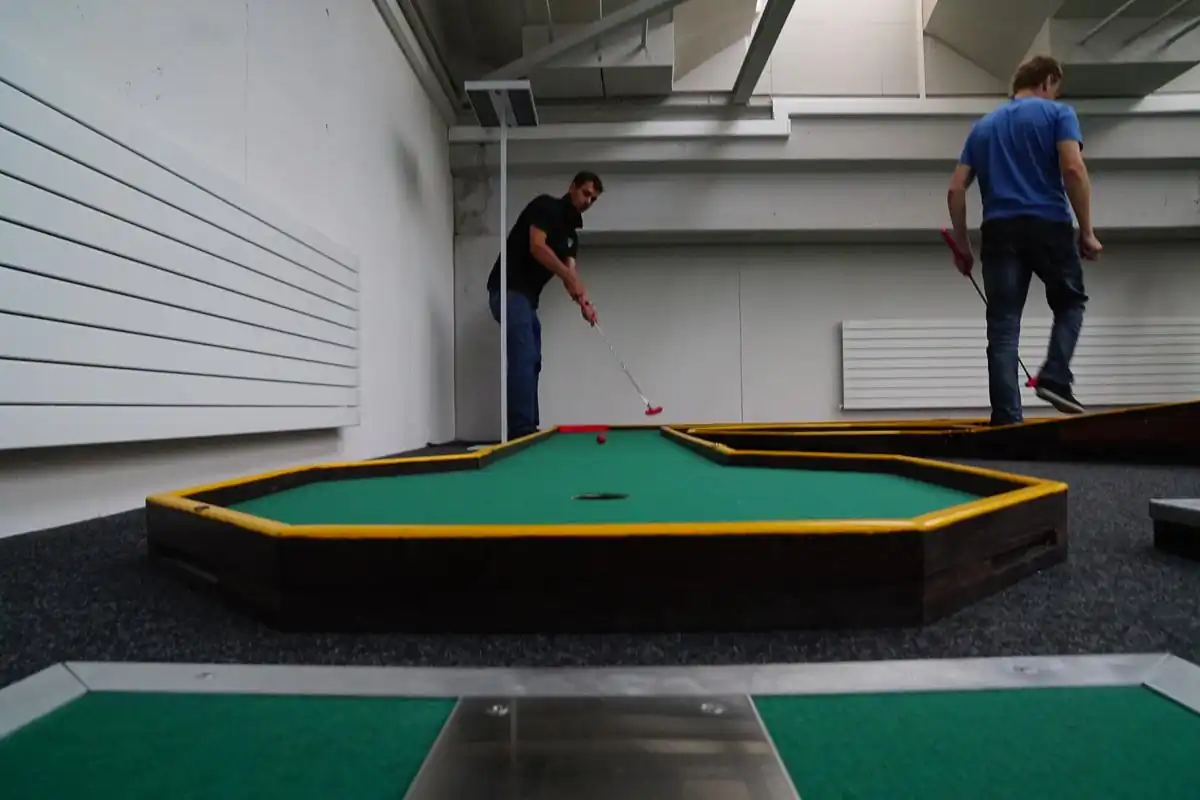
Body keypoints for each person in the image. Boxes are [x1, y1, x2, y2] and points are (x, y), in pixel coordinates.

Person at [946, 54, 1102, 427]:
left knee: (1002, 327)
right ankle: (1055, 376)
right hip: (1048, 225)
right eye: (1055, 88)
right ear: (1047, 81)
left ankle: (1006, 422)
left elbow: (955, 189)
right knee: (1070, 301)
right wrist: (1087, 231)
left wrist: (962, 244)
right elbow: (1073, 168)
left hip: (999, 232)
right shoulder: (1059, 114)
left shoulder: (983, 127)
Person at [486, 171, 603, 439]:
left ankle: (530, 427)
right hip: (506, 289)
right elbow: (537, 247)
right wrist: (568, 277)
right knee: (524, 354)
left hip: (528, 301)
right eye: (585, 193)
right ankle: (521, 430)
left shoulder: (571, 237)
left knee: (534, 359)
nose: (588, 201)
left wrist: (585, 304)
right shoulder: (546, 207)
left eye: (593, 199)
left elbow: (571, 275)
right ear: (572, 187)